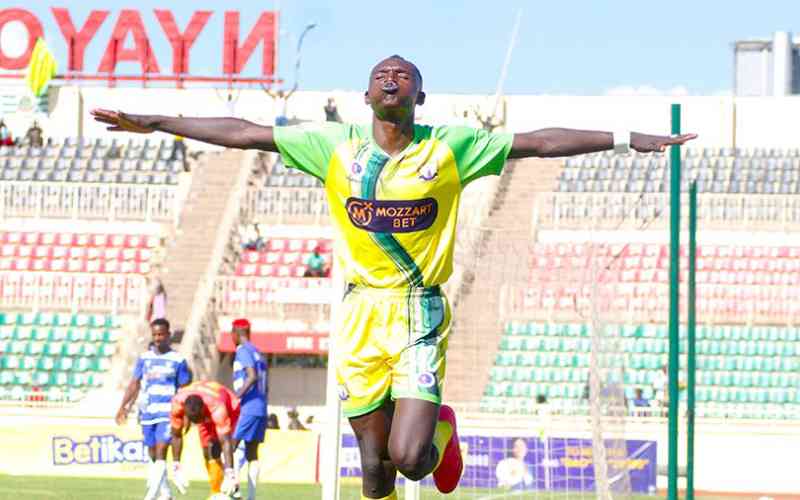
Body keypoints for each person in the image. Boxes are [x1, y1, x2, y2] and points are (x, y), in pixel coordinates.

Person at [91, 54, 696, 499]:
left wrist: (628, 139)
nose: (391, 78)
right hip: (358, 315)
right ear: (366, 94)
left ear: (418, 96)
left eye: (403, 75)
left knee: (409, 459)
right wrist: (158, 121)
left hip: (416, 311)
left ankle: (441, 431)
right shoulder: (334, 145)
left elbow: (539, 143)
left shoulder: (449, 147)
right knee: (375, 472)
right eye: (382, 73)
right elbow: (245, 132)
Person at [116, 318, 192, 500]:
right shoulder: (145, 358)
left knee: (161, 451)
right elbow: (135, 383)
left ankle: (150, 497)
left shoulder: (178, 360)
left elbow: (184, 389)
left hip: (168, 412)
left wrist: (186, 414)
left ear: (168, 335)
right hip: (147, 412)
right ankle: (166, 494)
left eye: (161, 334)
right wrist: (123, 406)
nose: (158, 338)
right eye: (155, 335)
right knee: (152, 453)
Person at [170, 381, 241, 498]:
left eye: (199, 418)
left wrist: (230, 473)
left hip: (230, 406)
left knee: (217, 448)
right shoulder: (177, 403)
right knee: (206, 451)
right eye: (193, 420)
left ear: (203, 409)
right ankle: (218, 491)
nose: (197, 422)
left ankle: (229, 487)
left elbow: (225, 441)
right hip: (204, 405)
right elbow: (176, 435)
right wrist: (176, 466)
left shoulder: (217, 407)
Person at [230, 318, 268, 500]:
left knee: (229, 446)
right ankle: (251, 496)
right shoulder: (258, 352)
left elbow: (252, 376)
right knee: (252, 453)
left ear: (236, 333)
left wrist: (236, 397)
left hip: (248, 406)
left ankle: (232, 489)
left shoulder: (243, 350)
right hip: (261, 406)